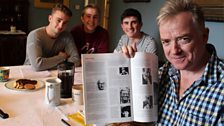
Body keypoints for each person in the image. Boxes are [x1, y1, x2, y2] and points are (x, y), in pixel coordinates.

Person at [121, 0, 224, 125]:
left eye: (183, 39)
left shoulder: (220, 87)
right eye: (166, 42)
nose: (174, 51)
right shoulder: (161, 74)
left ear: (204, 36)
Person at [24, 3, 80, 71]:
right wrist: (61, 57)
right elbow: (37, 65)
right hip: (30, 74)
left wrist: (47, 64)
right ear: (50, 18)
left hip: (54, 74)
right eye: (58, 20)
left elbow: (76, 60)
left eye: (65, 23)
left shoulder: (67, 36)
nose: (61, 26)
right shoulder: (35, 35)